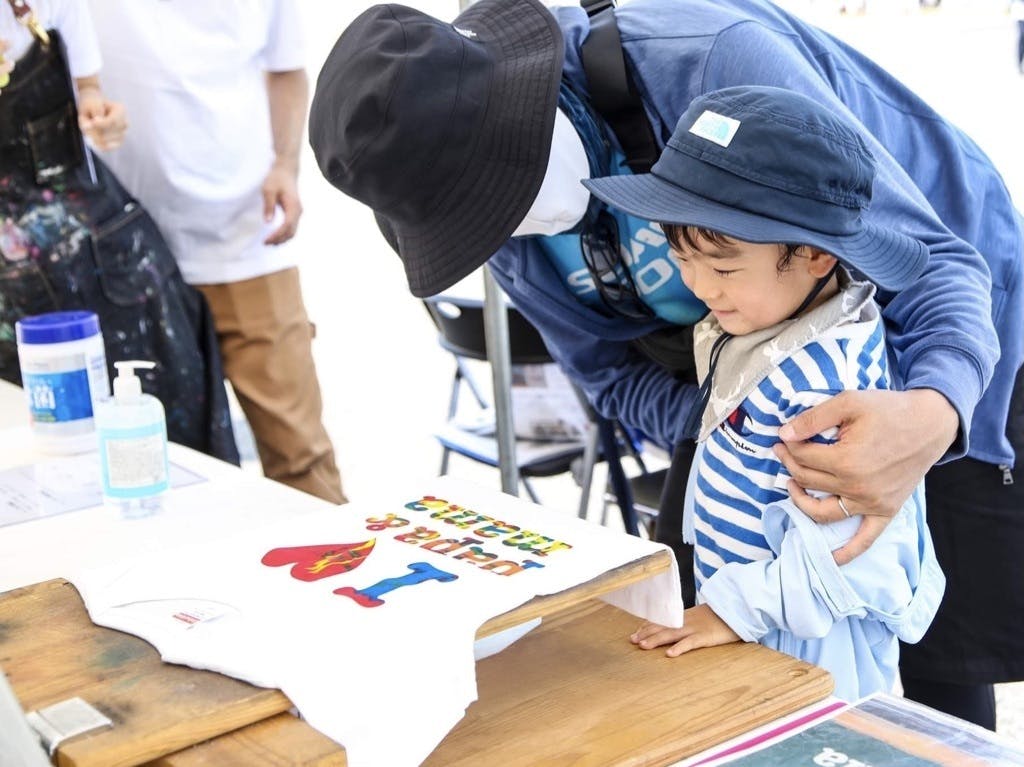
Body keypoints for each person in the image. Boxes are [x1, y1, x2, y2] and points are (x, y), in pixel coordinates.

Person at [310, 0, 1024, 727]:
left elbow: (937, 264)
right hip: (752, 367)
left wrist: (933, 412)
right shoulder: (512, 238)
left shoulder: (712, 63)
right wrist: (738, 430)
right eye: (479, 227)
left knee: (944, 647)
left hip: (943, 319)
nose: (510, 240)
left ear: (534, 115)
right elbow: (609, 374)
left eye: (503, 205)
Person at [583, 83, 944, 701]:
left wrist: (730, 612)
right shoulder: (762, 323)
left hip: (809, 650)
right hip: (751, 617)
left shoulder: (823, 390)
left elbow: (847, 557)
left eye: (723, 268)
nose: (700, 287)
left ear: (815, 256)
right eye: (682, 258)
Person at [86, 0, 346, 505]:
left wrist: (286, 165)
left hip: (246, 236)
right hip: (123, 245)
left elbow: (287, 68)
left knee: (300, 456)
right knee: (155, 468)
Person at [0, 0, 239, 463]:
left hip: (102, 259)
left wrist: (101, 117)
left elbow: (88, 91)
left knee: (169, 438)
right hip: (13, 300)